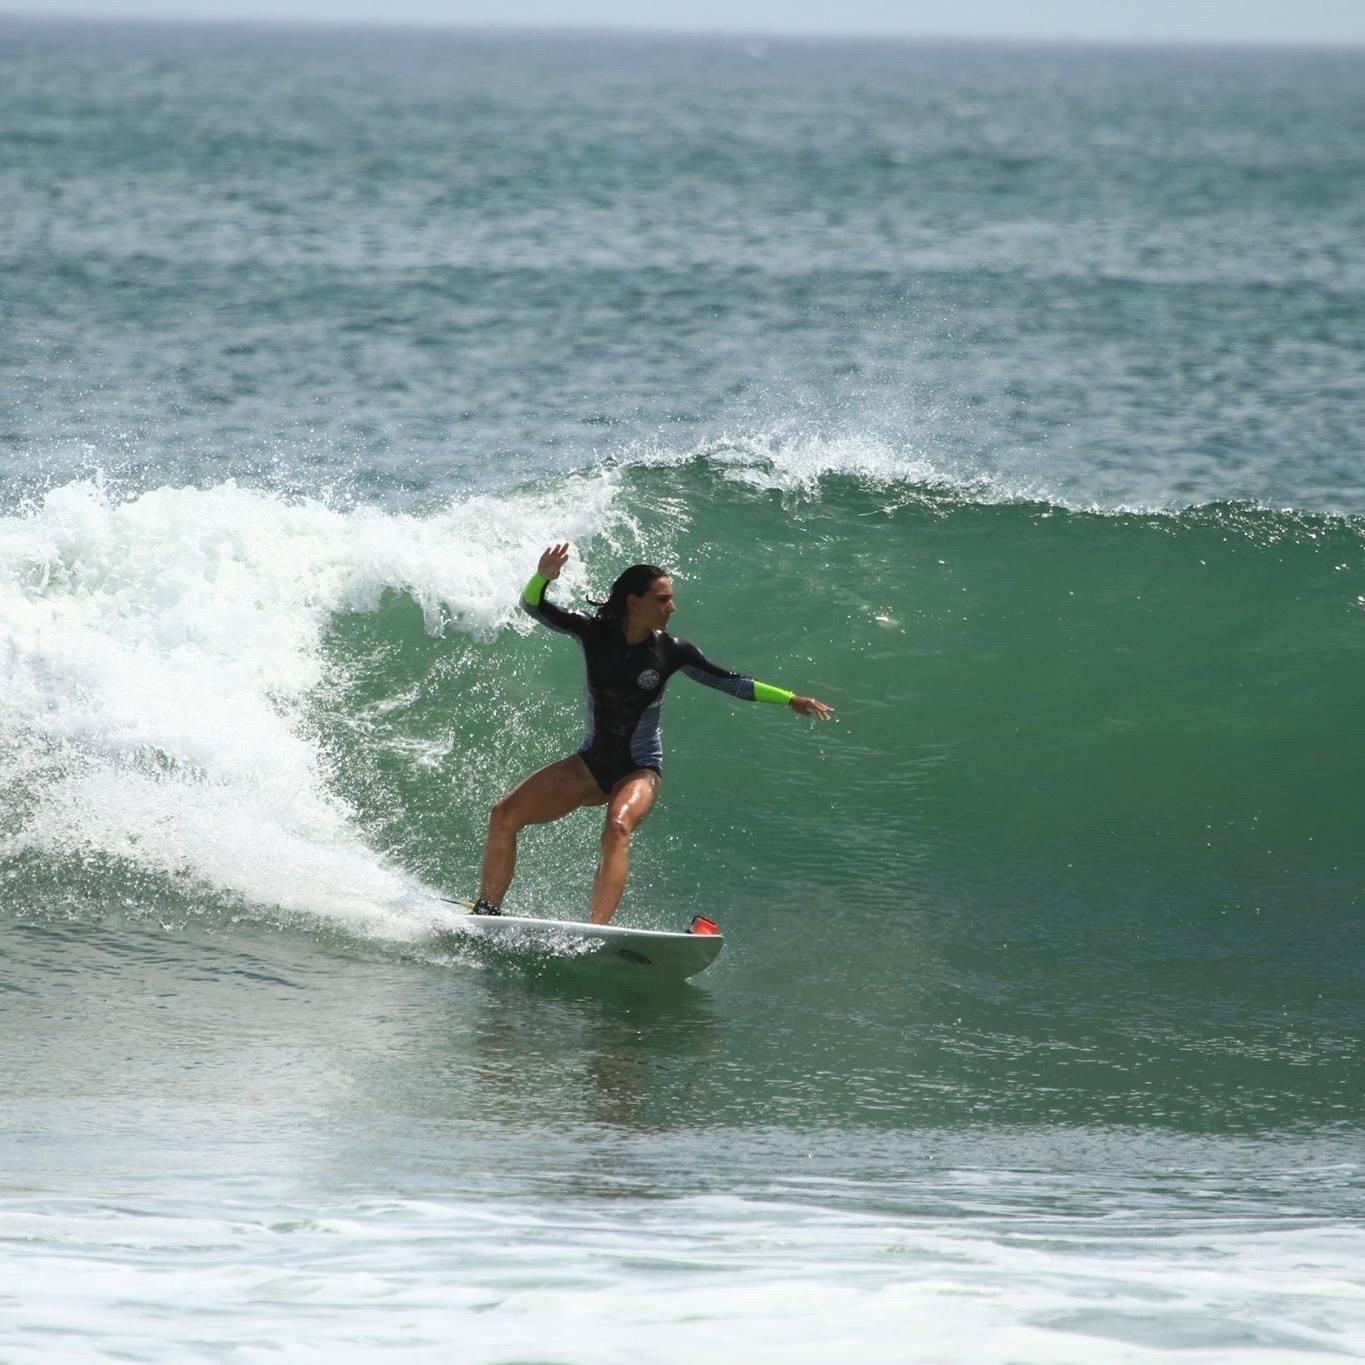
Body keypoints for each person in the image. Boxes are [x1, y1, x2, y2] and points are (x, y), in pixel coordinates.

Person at [474, 543, 834, 924]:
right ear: (634, 602)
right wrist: (542, 578)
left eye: (671, 599)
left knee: (617, 826)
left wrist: (790, 698)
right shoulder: (594, 633)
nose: (672, 608)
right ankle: (487, 911)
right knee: (504, 815)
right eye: (663, 599)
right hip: (592, 762)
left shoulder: (672, 651)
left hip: (640, 768)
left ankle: (596, 930)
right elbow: (535, 607)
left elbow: (732, 682)